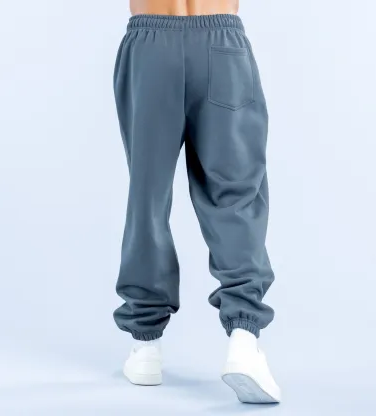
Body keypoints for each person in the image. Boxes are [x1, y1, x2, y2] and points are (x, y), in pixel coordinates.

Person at [113, 0, 281, 403]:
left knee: (148, 197)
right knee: (236, 194)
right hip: (222, 44)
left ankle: (146, 347)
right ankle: (244, 342)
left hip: (151, 42)